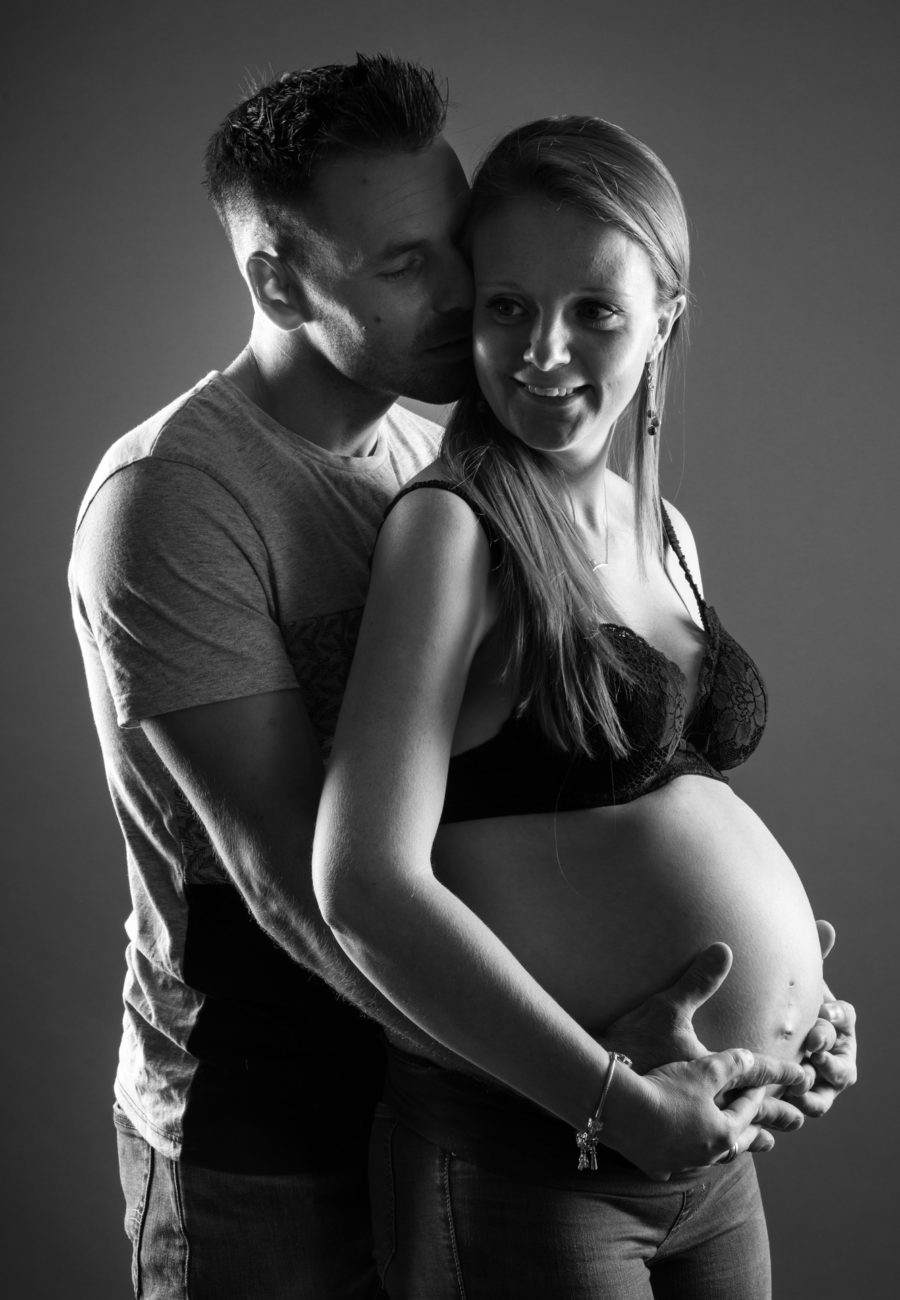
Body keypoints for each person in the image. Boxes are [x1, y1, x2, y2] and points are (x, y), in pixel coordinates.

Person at [313, 115, 858, 1298]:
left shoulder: (664, 528)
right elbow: (362, 883)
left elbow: (659, 814)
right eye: (508, 306)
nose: (543, 351)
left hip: (713, 1152)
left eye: (594, 311)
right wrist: (617, 1104)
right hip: (538, 1164)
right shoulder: (451, 532)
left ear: (665, 314)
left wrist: (801, 1009)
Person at [68, 54, 475, 1300]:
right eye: (406, 263)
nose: (463, 291)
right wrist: (577, 1083)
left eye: (458, 243)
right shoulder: (173, 501)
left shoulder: (430, 454)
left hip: (439, 1101)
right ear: (277, 279)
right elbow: (294, 886)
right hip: (264, 1133)